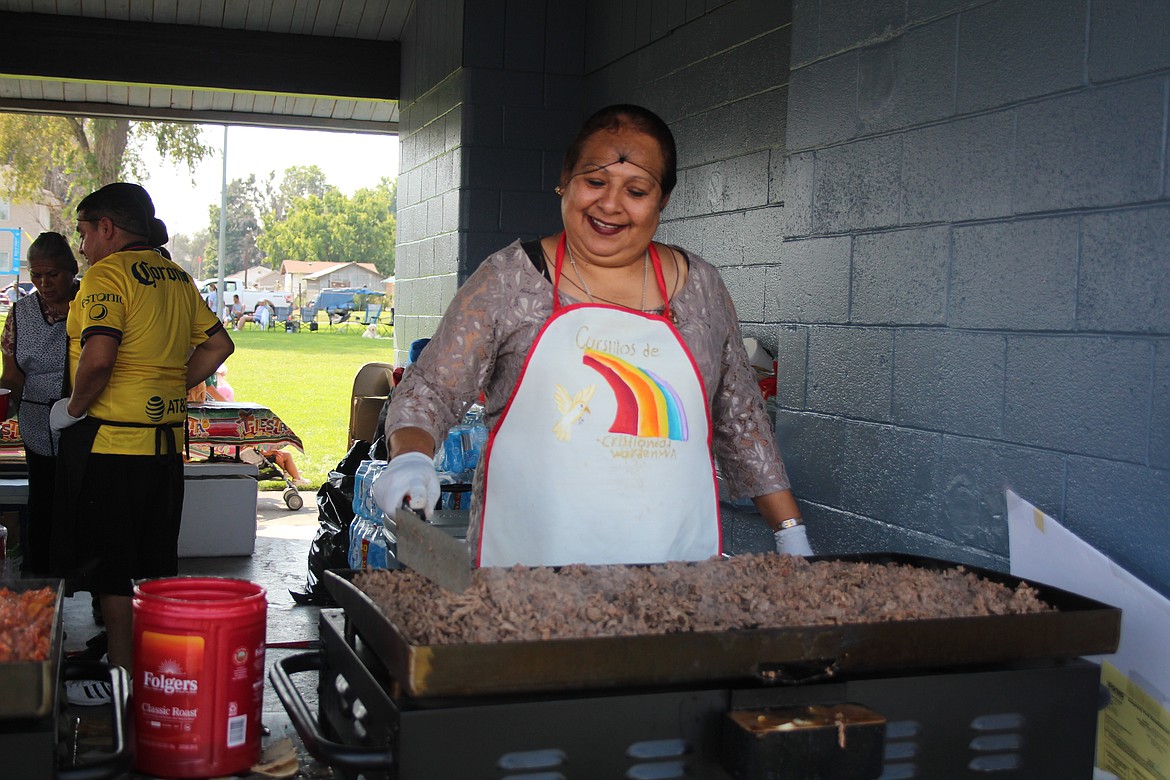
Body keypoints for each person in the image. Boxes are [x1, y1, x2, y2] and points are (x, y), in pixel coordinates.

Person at [373, 104, 811, 568]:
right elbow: (432, 391)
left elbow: (742, 418)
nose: (610, 204)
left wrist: (790, 533)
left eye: (637, 190)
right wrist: (411, 457)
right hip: (530, 572)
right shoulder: (509, 279)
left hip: (675, 569)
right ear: (565, 178)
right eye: (595, 181)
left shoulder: (701, 287)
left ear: (663, 199)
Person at [50, 182, 234, 701]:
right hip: (164, 449)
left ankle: (123, 684)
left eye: (85, 233)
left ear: (107, 228)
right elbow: (220, 343)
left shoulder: (106, 275)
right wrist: (170, 384)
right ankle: (159, 673)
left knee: (111, 571)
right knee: (153, 567)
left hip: (112, 446)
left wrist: (72, 409)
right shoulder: (176, 276)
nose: (83, 246)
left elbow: (100, 358)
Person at [0, 232, 79, 576]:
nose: (43, 283)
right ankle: (42, 586)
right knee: (43, 505)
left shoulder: (93, 306)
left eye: (53, 275)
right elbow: (12, 374)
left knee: (88, 508)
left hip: (87, 423)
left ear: (72, 271)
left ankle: (97, 593)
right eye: (36, 275)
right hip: (37, 427)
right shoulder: (20, 314)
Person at [239, 444, 308, 486]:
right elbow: (262, 452)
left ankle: (289, 471)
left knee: (278, 455)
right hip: (256, 460)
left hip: (247, 458)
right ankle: (297, 478)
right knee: (286, 455)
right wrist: (271, 452)